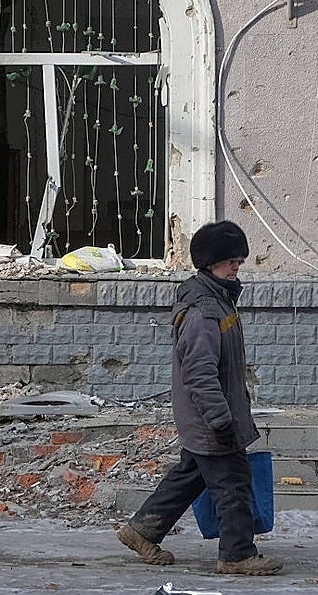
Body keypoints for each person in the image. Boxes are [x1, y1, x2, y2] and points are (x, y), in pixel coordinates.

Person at [117, 220, 282, 576]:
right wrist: (221, 420)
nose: (236, 265)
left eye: (238, 258)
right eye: (229, 260)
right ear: (209, 264)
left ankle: (141, 530)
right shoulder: (204, 311)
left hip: (208, 416)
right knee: (233, 483)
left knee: (191, 476)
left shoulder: (218, 302)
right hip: (211, 418)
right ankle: (237, 555)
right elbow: (199, 373)